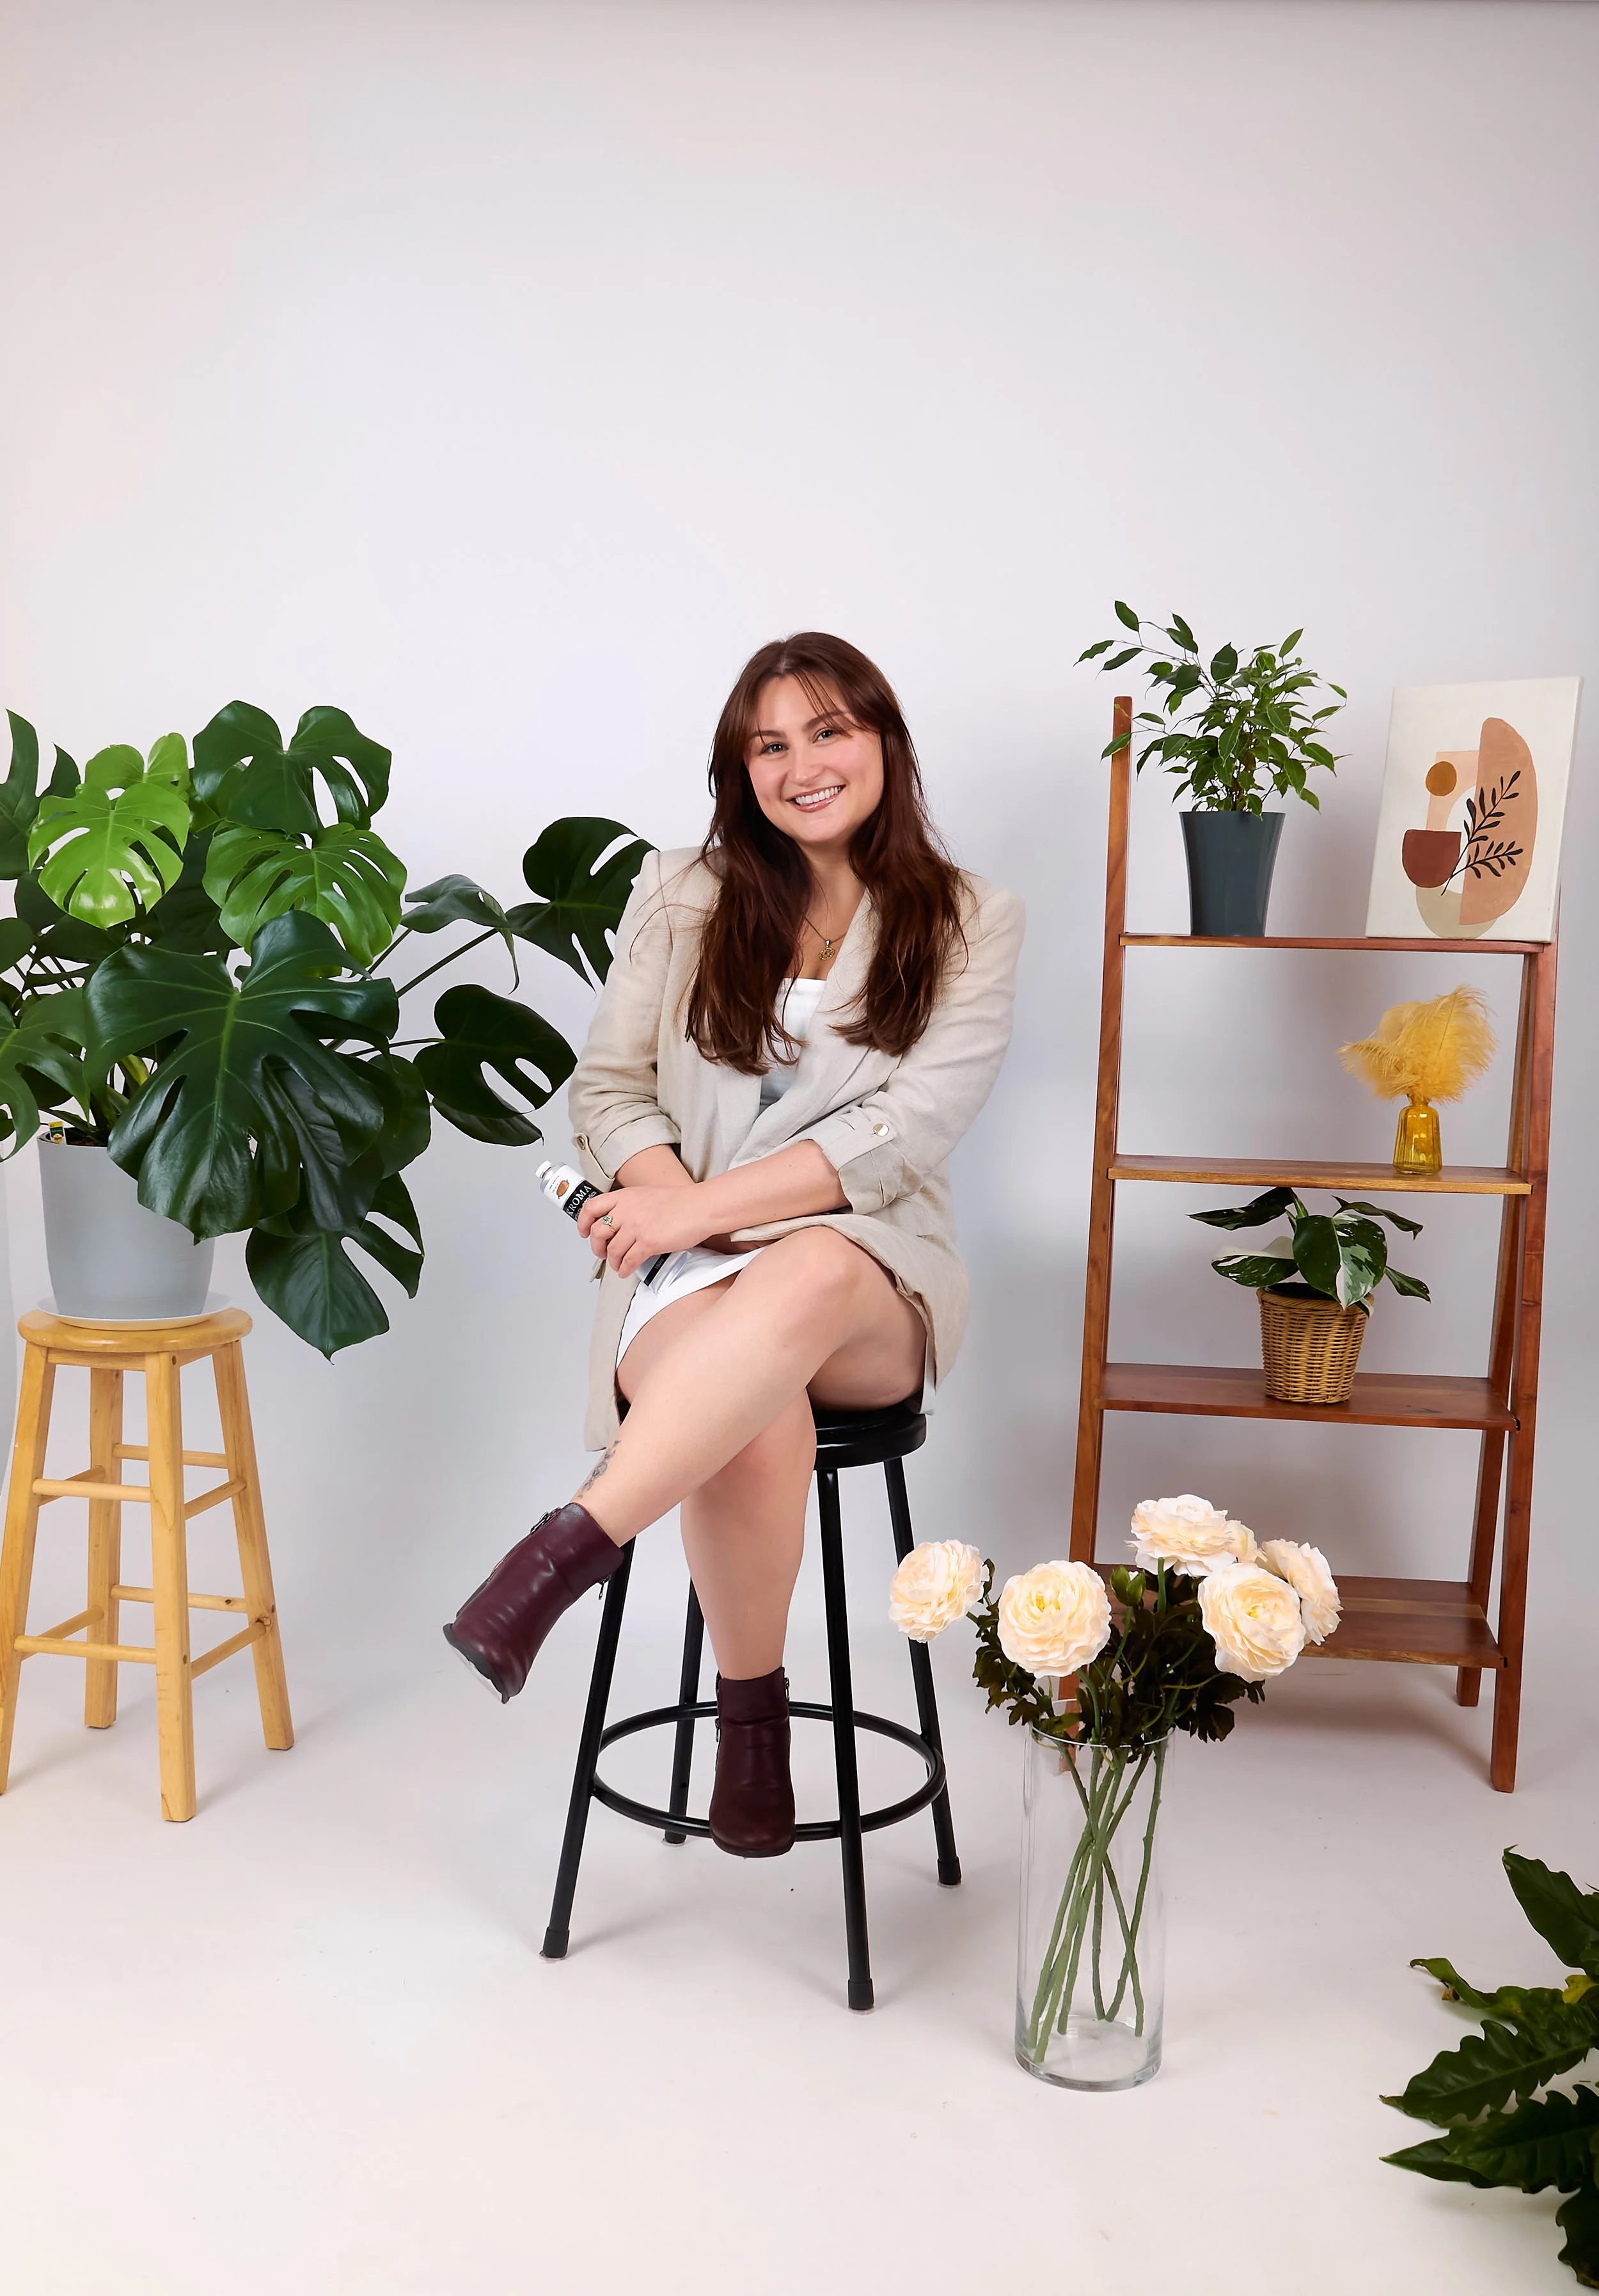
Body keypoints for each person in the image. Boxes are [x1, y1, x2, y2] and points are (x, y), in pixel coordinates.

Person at [445, 633, 1025, 1859]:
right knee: (757, 1404)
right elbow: (607, 1092)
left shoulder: (972, 919)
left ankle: (569, 1550)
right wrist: (664, 1214)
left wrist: (693, 1213)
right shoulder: (682, 892)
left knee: (808, 1271)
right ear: (740, 767)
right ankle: (752, 1736)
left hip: (869, 1276)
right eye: (772, 744)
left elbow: (908, 1132)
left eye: (829, 732)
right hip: (689, 1282)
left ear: (883, 746)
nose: (803, 765)